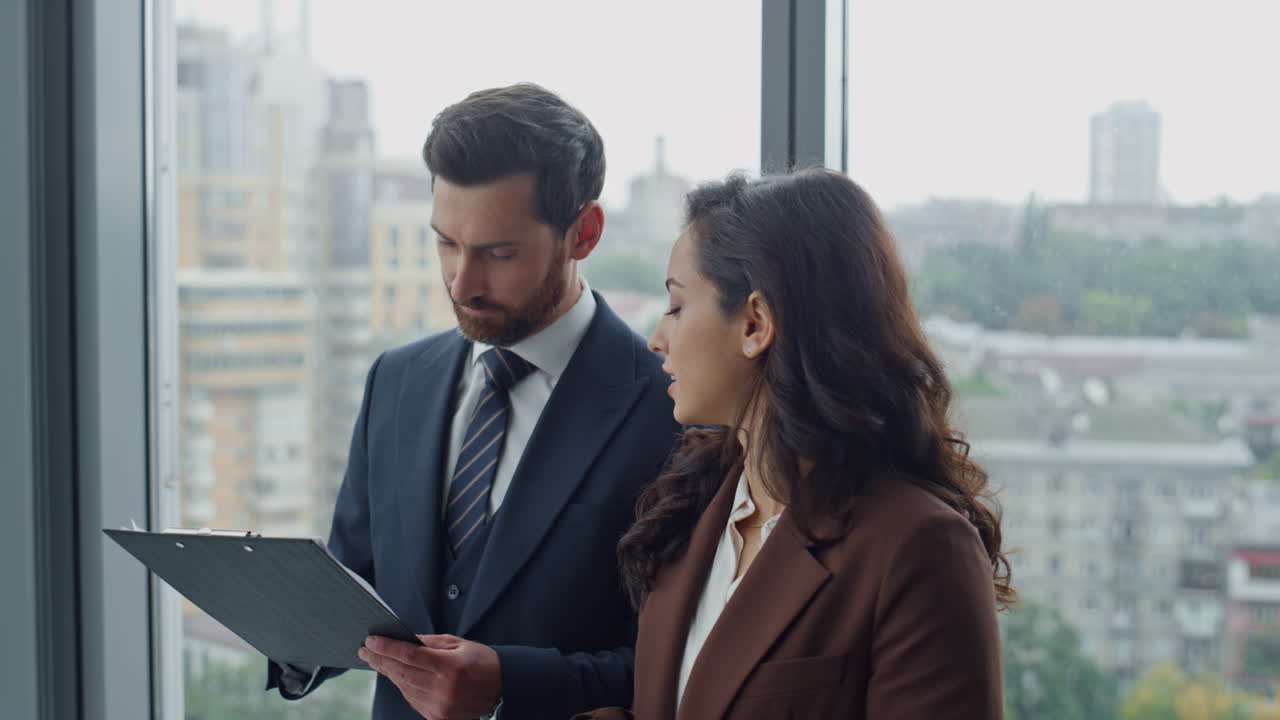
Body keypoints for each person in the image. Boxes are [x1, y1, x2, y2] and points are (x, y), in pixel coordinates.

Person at [266, 83, 681, 720]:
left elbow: (680, 665)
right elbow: (357, 583)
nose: (462, 282)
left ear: (584, 233)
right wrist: (290, 633)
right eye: (446, 243)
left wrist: (510, 683)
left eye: (498, 252)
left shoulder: (672, 410)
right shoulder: (396, 381)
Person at [575, 168, 1014, 720]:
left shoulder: (918, 547)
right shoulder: (690, 513)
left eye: (677, 306)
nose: (658, 339)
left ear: (755, 323)